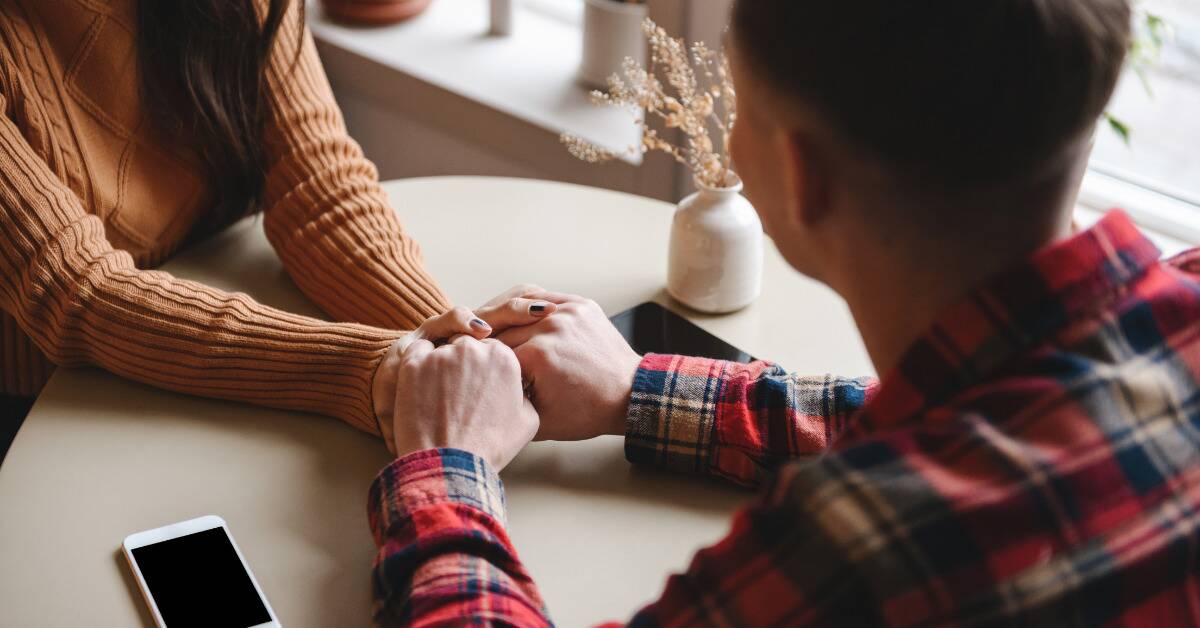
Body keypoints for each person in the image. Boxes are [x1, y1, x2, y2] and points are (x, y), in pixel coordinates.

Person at [365, 0, 1200, 625]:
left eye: (743, 114)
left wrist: (448, 467)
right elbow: (1003, 414)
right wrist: (641, 391)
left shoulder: (865, 544)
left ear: (801, 174)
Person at [0, 0, 546, 464]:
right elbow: (74, 292)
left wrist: (457, 346)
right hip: (46, 413)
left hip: (221, 346)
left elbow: (318, 190)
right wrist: (375, 370)